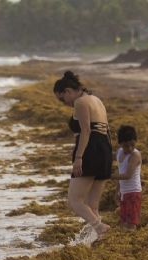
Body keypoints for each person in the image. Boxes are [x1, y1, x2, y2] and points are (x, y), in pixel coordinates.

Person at [54, 71, 112, 238]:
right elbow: (105, 130)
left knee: (74, 201)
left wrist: (79, 158)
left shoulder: (80, 102)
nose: (64, 103)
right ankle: (97, 240)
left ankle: (100, 228)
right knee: (92, 205)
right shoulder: (96, 100)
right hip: (104, 149)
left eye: (62, 99)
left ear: (68, 91)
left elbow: (86, 131)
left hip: (90, 150)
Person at [113, 125, 143, 231]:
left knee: (131, 224)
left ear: (136, 141)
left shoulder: (135, 155)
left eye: (132, 145)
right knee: (124, 222)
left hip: (133, 193)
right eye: (126, 146)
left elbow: (127, 175)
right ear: (120, 144)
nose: (129, 148)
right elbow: (120, 172)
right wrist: (117, 190)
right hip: (124, 193)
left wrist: (107, 175)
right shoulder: (119, 152)